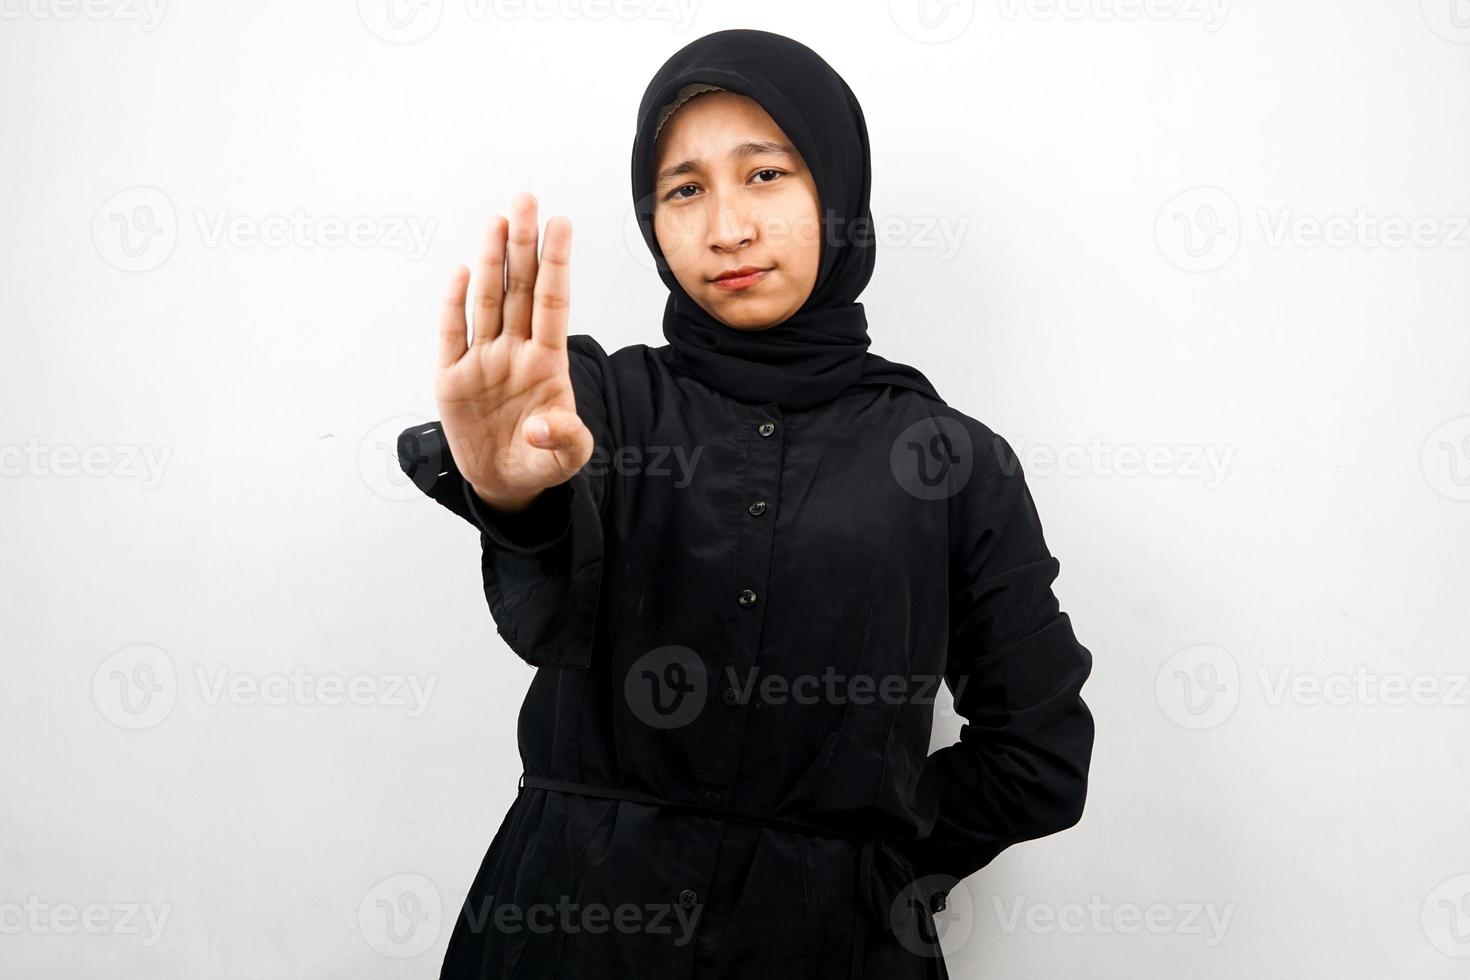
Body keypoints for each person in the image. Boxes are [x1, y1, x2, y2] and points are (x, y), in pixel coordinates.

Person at [396, 27, 1095, 980]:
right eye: (685, 189)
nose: (726, 228)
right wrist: (517, 497)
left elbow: (1039, 757)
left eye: (764, 175)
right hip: (565, 942)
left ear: (839, 189)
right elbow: (549, 611)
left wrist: (860, 856)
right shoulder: (598, 402)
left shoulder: (951, 462)